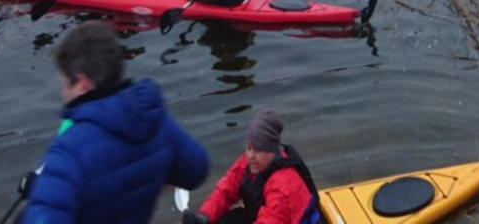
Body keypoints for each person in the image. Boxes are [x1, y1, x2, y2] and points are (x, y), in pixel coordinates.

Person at [18, 21, 210, 223]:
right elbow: (196, 171)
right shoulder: (154, 121)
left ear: (83, 84)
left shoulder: (69, 149)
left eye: (65, 84)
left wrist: (44, 189)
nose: (62, 93)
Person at [185, 109, 319, 224]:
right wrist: (203, 217)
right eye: (249, 148)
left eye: (258, 150)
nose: (250, 155)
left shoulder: (282, 187)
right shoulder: (251, 162)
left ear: (271, 150)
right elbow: (225, 191)